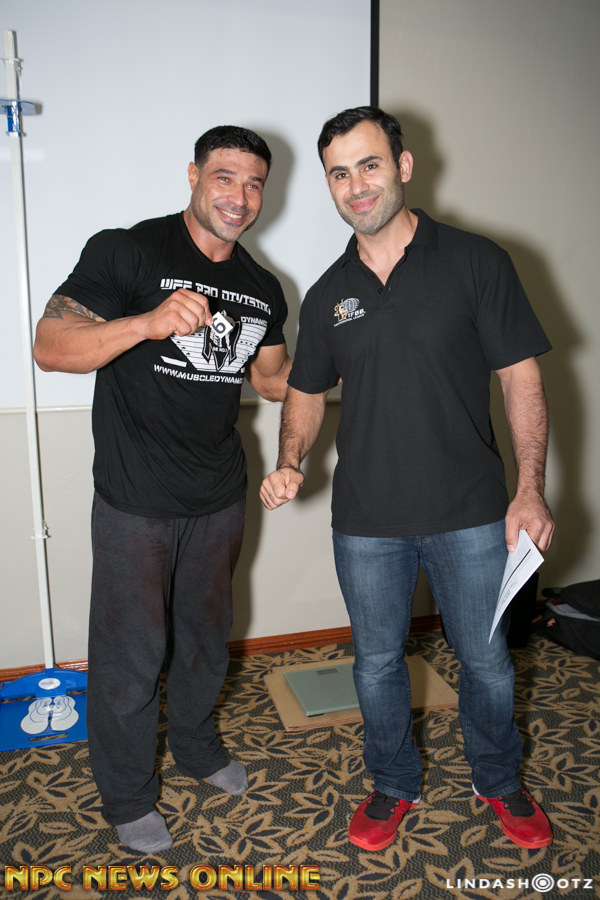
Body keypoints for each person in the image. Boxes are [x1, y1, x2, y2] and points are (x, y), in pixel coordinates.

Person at [260, 107, 554, 853]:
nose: (356, 185)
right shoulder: (327, 293)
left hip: (473, 513)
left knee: (487, 662)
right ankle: (391, 784)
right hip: (367, 521)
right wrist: (291, 459)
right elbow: (303, 394)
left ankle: (500, 779)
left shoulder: (477, 261)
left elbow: (521, 378)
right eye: (339, 173)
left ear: (404, 166)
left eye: (369, 164)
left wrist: (529, 488)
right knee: (376, 665)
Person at [34, 125, 291, 854]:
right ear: (193, 175)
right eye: (224, 177)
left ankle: (197, 747)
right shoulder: (129, 250)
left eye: (253, 183)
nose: (239, 197)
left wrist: (352, 362)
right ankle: (126, 795)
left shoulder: (263, 287)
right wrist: (146, 322)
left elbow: (272, 378)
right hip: (135, 498)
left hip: (219, 493)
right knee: (130, 656)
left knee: (207, 640)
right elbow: (50, 347)